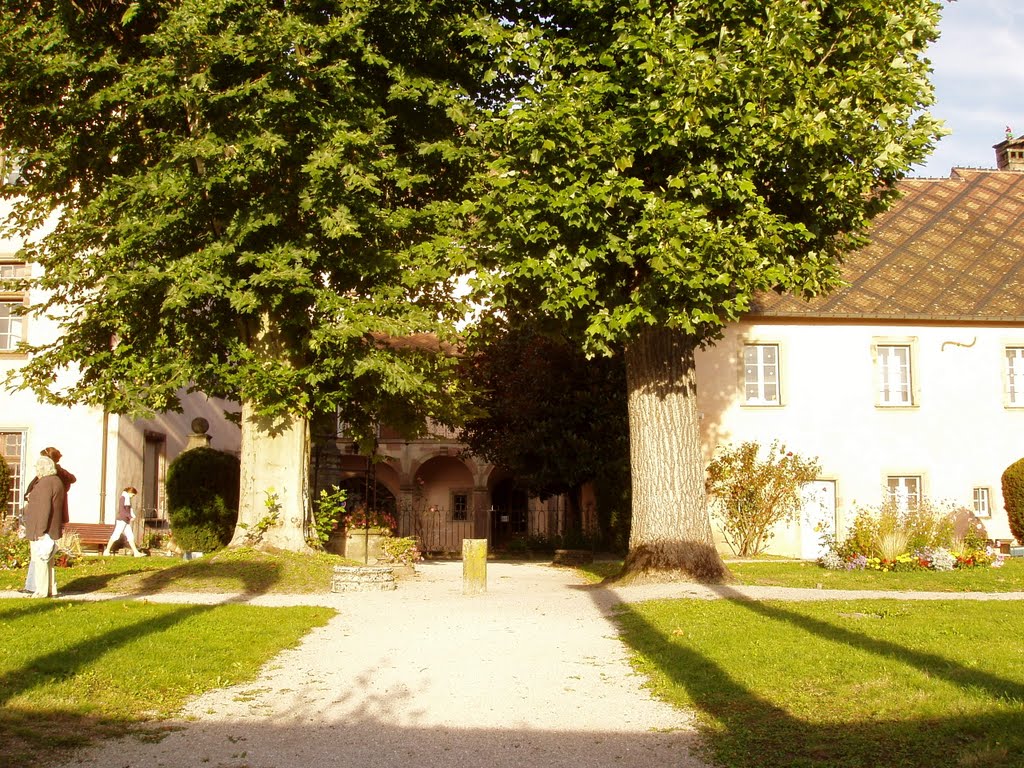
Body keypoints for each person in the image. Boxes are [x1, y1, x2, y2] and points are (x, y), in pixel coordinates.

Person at [23, 447, 76, 593]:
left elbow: (44, 508)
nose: (36, 470)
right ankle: (50, 589)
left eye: (37, 467)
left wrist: (40, 531)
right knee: (47, 561)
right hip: (51, 527)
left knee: (40, 560)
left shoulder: (46, 482)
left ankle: (40, 591)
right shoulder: (57, 481)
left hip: (42, 528)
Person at [103, 486, 147, 557]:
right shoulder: (123, 498)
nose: (132, 497)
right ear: (130, 492)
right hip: (121, 520)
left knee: (130, 536)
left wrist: (131, 516)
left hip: (125, 520)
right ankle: (107, 551)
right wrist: (130, 517)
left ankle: (136, 552)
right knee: (116, 535)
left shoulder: (127, 499)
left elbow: (129, 510)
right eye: (133, 495)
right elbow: (122, 511)